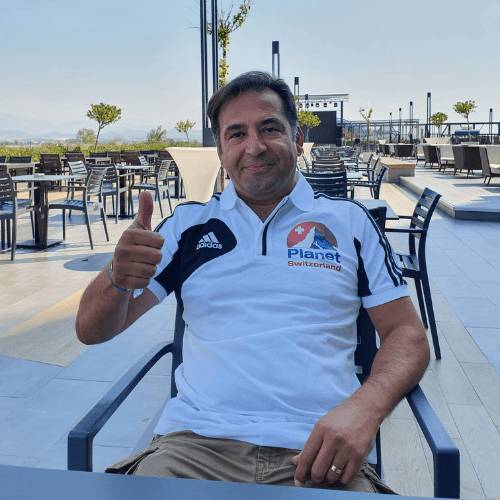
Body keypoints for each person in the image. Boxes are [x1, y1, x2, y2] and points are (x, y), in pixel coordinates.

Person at [76, 71, 429, 492]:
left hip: (319, 450)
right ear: (221, 151)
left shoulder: (349, 223)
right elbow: (91, 330)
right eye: (236, 134)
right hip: (193, 447)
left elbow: (407, 335)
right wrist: (116, 278)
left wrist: (365, 410)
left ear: (298, 139)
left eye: (269, 129)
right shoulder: (187, 227)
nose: (254, 146)